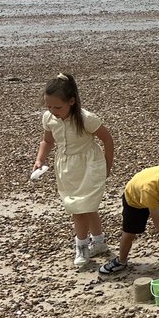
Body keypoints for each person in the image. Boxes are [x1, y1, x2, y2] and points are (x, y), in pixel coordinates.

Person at [33, 74, 115, 268]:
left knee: (80, 208)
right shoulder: (49, 118)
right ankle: (100, 241)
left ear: (72, 101)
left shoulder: (86, 119)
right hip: (66, 167)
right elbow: (47, 140)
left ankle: (81, 245)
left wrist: (107, 165)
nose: (53, 111)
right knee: (86, 206)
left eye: (58, 107)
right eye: (49, 107)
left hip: (89, 164)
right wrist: (40, 159)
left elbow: (107, 139)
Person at [99, 164, 159, 278]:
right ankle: (121, 261)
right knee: (129, 233)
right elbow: (158, 225)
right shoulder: (149, 190)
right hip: (135, 201)